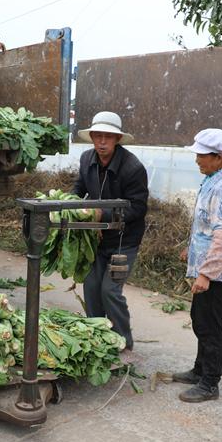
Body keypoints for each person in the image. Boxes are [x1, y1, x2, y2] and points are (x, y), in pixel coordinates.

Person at [175, 128, 222, 403]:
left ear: (218, 157)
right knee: (199, 319)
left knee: (209, 325)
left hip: (217, 272)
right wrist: (191, 249)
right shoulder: (213, 179)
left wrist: (205, 274)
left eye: (201, 155)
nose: (197, 160)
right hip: (208, 266)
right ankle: (199, 370)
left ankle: (210, 383)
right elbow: (207, 226)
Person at [73, 111, 148, 351]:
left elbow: (138, 208)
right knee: (92, 288)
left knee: (110, 291)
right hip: (96, 238)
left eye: (108, 137)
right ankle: (98, 339)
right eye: (98, 136)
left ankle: (123, 342)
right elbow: (78, 189)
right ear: (92, 137)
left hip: (123, 241)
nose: (102, 142)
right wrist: (71, 206)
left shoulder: (133, 168)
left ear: (117, 139)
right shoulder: (87, 160)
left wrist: (101, 214)